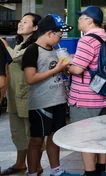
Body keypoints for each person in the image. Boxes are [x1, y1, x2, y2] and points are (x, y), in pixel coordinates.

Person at [22, 14, 75, 176]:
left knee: (55, 137)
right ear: (49, 33)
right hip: (41, 103)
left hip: (58, 100)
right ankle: (32, 172)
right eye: (59, 34)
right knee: (37, 140)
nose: (60, 38)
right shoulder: (32, 51)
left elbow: (56, 72)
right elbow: (30, 78)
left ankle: (56, 170)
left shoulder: (55, 50)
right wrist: (56, 70)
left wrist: (65, 69)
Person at [66, 6, 106, 176]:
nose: (78, 20)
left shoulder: (86, 40)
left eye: (81, 17)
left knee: (85, 138)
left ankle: (90, 173)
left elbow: (78, 70)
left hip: (85, 97)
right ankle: (102, 170)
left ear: (90, 20)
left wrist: (67, 65)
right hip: (103, 96)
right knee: (101, 136)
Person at [2, 13, 42, 176]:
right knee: (17, 131)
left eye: (25, 22)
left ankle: (36, 165)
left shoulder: (34, 46)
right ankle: (20, 163)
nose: (20, 24)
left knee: (31, 132)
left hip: (27, 96)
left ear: (35, 27)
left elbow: (14, 58)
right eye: (20, 21)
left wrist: (3, 45)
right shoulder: (20, 43)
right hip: (13, 94)